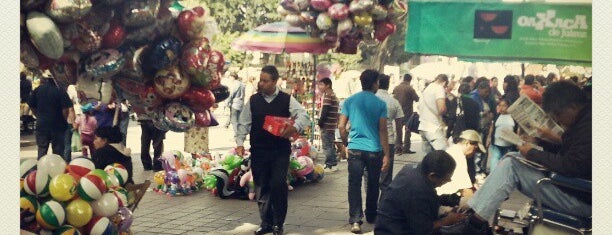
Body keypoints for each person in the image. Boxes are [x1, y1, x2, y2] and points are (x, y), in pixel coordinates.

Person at [463, 81, 591, 234]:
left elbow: (571, 165)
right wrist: (539, 143)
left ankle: (474, 223)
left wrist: (532, 153)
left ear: (573, 107)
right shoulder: (585, 121)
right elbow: (573, 153)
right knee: (512, 157)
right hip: (576, 189)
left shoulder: (588, 127)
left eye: (558, 115)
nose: (557, 120)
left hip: (580, 197)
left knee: (511, 165)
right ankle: (476, 214)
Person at [235, 65, 310, 235]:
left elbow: (304, 115)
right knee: (261, 186)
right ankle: (266, 222)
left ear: (275, 82)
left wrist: (295, 127)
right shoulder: (254, 100)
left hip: (279, 151)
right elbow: (244, 123)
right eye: (260, 80)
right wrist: (240, 142)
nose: (261, 83)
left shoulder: (286, 99)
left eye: (265, 81)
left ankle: (278, 223)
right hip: (259, 150)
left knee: (277, 184)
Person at [338, 69, 390, 233]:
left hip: (355, 149)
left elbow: (341, 126)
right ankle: (371, 215)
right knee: (373, 183)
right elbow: (383, 130)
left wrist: (346, 143)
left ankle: (355, 220)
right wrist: (387, 154)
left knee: (354, 183)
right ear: (375, 83)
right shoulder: (381, 104)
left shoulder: (350, 101)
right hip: (374, 150)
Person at [375, 150, 466, 235]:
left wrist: (453, 200)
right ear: (432, 176)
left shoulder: (413, 169)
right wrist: (447, 220)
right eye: (445, 179)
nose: (449, 180)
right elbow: (423, 229)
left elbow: (429, 199)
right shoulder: (418, 190)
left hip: (388, 225)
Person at [27, 76, 75, 160]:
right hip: (57, 125)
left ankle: (41, 169)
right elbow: (65, 109)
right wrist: (63, 119)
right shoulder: (60, 90)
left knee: (42, 150)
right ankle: (58, 171)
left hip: (42, 124)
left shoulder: (38, 90)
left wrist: (38, 115)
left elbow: (31, 105)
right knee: (58, 152)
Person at [375, 73, 404, 190]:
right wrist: (399, 143)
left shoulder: (372, 99)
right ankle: (383, 206)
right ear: (388, 86)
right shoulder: (394, 102)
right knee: (386, 178)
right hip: (389, 142)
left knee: (372, 176)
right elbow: (399, 125)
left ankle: (371, 205)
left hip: (372, 141)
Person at [438, 130, 485, 196]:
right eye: (475, 149)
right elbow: (466, 190)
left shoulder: (452, 150)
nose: (474, 152)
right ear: (467, 143)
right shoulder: (458, 157)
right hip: (446, 195)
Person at [470, 81, 497, 174]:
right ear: (480, 89)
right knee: (477, 149)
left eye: (488, 92)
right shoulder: (473, 97)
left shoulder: (488, 98)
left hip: (486, 127)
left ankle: (482, 168)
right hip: (478, 128)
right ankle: (477, 170)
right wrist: (483, 114)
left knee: (484, 149)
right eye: (485, 91)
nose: (487, 94)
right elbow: (472, 113)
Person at [418, 74, 449, 153]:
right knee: (443, 156)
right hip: (434, 128)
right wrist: (447, 111)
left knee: (428, 159)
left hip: (423, 127)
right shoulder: (439, 88)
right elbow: (441, 109)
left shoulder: (427, 88)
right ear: (444, 83)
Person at [485, 98, 517, 173]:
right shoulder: (497, 116)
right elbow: (492, 127)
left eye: (504, 106)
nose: (502, 108)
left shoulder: (513, 117)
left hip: (509, 144)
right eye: (500, 105)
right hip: (496, 143)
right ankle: (493, 176)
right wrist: (489, 138)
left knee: (506, 161)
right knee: (495, 160)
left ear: (509, 106)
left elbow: (517, 129)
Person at [317, 77, 340, 172]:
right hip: (331, 125)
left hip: (327, 125)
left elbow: (325, 111)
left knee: (327, 146)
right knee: (330, 145)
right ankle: (333, 164)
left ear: (328, 85)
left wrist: (320, 122)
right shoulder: (333, 95)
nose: (319, 87)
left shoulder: (328, 96)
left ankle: (329, 165)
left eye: (322, 85)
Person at [392, 73, 419, 154]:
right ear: (410, 80)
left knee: (398, 130)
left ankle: (398, 147)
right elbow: (417, 99)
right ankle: (406, 148)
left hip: (397, 112)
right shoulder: (410, 89)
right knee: (408, 130)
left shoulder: (396, 88)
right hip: (407, 112)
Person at [225, 72, 246, 140]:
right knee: (240, 121)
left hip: (235, 104)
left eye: (230, 77)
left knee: (234, 121)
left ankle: (237, 136)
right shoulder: (242, 84)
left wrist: (227, 103)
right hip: (241, 103)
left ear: (233, 77)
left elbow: (231, 94)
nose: (229, 79)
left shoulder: (235, 84)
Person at [64, 84, 80, 159]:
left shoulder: (71, 87)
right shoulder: (72, 87)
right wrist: (74, 122)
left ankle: (66, 160)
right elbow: (71, 109)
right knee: (68, 143)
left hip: (71, 120)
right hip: (72, 120)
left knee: (67, 142)